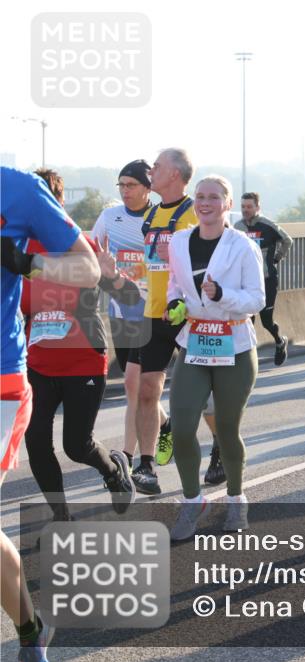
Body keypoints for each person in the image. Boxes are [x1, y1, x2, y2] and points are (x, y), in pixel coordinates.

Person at [1, 166, 102, 662]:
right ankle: (31, 628)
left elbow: (89, 269)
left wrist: (25, 264)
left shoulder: (18, 188)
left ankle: (27, 633)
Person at [165, 175, 264, 541]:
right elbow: (176, 284)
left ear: (227, 204)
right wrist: (176, 302)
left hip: (235, 344)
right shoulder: (178, 242)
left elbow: (257, 299)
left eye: (213, 197)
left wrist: (223, 294)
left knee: (226, 429)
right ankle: (193, 501)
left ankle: (237, 497)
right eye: (200, 197)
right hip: (194, 342)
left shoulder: (242, 246)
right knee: (181, 425)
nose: (205, 203)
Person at [22, 230, 137, 520]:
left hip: (83, 361)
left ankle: (112, 470)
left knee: (76, 446)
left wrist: (111, 276)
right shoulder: (15, 247)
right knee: (35, 441)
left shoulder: (82, 243)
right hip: (37, 364)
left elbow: (130, 297)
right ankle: (61, 517)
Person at [90, 160, 172, 478]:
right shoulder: (111, 216)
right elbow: (91, 253)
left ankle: (128, 456)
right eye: (121, 185)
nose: (125, 191)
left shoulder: (159, 219)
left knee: (131, 384)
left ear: (147, 188)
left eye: (131, 185)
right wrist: (105, 270)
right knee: (135, 389)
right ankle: (164, 422)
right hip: (120, 310)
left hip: (152, 313)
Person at [134, 148, 200, 494]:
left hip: (189, 315)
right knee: (147, 391)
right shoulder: (151, 213)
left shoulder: (195, 212)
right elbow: (150, 265)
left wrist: (178, 253)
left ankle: (220, 449)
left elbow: (211, 258)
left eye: (157, 166)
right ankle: (146, 467)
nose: (152, 170)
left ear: (174, 173)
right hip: (153, 312)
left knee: (202, 395)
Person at [235, 192, 292, 365]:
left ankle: (280, 341)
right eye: (243, 206)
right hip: (244, 281)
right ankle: (248, 356)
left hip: (266, 279)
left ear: (257, 207)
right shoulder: (236, 227)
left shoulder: (267, 225)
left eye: (249, 206)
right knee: (247, 319)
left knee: (266, 321)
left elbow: (287, 240)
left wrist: (276, 258)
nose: (246, 210)